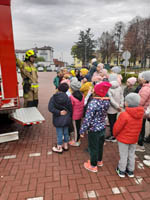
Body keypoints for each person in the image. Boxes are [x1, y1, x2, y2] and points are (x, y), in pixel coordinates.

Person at [80, 82, 112, 173]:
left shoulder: (93, 103)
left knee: (93, 147)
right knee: (100, 145)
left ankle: (93, 165)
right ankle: (99, 160)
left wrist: (82, 130)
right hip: (102, 127)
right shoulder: (107, 101)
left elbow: (87, 119)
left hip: (93, 129)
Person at [113, 93, 144, 178]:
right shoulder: (140, 115)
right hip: (134, 138)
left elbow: (117, 127)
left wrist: (115, 135)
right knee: (131, 154)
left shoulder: (124, 114)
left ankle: (121, 170)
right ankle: (130, 171)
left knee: (123, 155)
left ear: (127, 103)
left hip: (123, 139)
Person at [48, 83, 72, 153]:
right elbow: (70, 108)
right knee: (66, 132)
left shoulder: (53, 97)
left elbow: (50, 108)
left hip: (57, 118)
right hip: (66, 118)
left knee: (59, 133)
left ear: (58, 88)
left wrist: (58, 112)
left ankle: (59, 147)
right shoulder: (68, 98)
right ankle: (66, 145)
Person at [106, 74, 124, 142]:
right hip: (117, 108)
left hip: (111, 108)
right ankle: (115, 134)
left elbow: (111, 99)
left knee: (111, 122)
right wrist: (120, 105)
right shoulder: (119, 87)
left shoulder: (109, 88)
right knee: (115, 121)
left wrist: (116, 106)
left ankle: (113, 136)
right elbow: (122, 96)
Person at [136, 71, 150, 152]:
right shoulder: (146, 87)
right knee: (141, 127)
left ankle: (140, 144)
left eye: (142, 77)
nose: (140, 79)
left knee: (140, 128)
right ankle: (140, 143)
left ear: (146, 79)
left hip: (141, 111)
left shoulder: (146, 88)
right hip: (144, 111)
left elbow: (141, 101)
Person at [69, 79, 84, 146]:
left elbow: (70, 107)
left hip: (74, 116)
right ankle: (78, 138)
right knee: (78, 126)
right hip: (80, 114)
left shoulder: (71, 97)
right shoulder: (82, 95)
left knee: (75, 128)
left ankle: (76, 141)